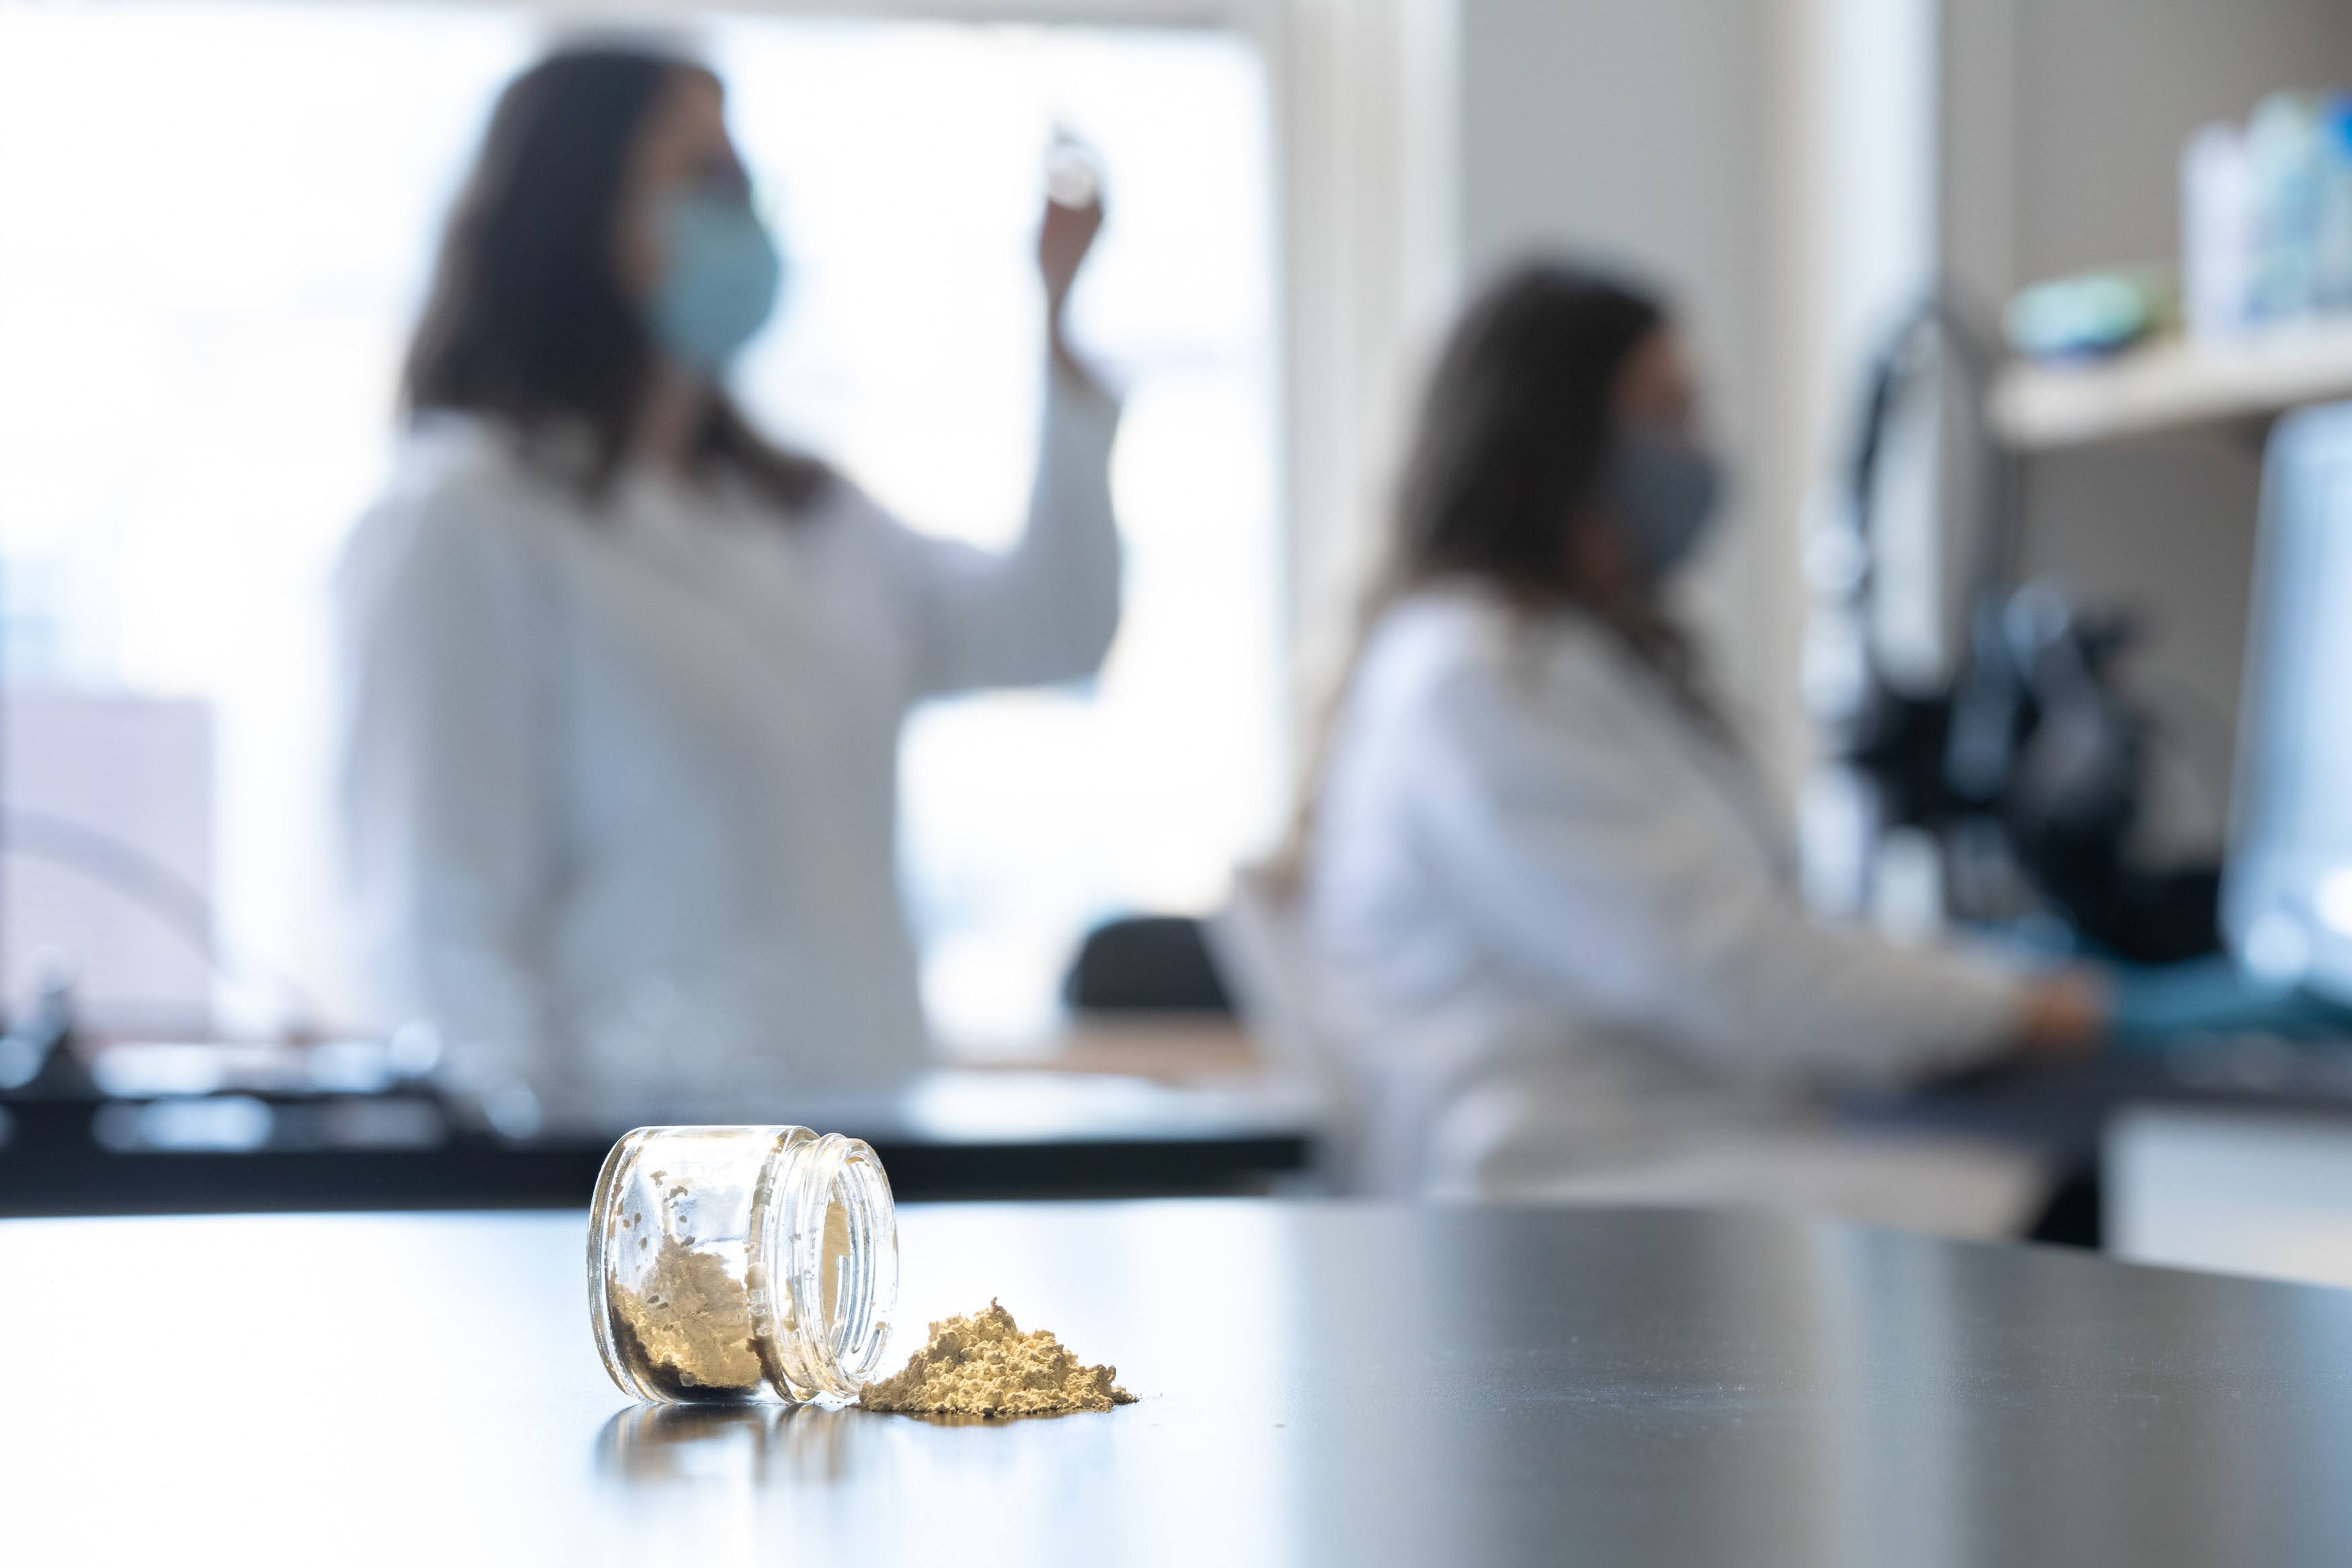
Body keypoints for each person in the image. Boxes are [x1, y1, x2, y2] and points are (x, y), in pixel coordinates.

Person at [336, 46, 1120, 1131]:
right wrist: (522, 1205)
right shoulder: (470, 516)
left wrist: (1058, 324)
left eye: (744, 184)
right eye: (699, 178)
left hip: (859, 1159)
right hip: (624, 1195)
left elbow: (1056, 628)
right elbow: (439, 924)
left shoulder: (812, 517)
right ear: (573, 208)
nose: (737, 216)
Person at [1291, 264, 2111, 1234]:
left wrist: (1993, 995)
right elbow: (1735, 963)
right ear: (1555, 436)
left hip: (1669, 1168)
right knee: (2078, 1217)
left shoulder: (1552, 661)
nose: (1697, 452)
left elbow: (1736, 937)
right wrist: (2029, 1009)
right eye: (1665, 415)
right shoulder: (1474, 677)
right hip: (1577, 1198)